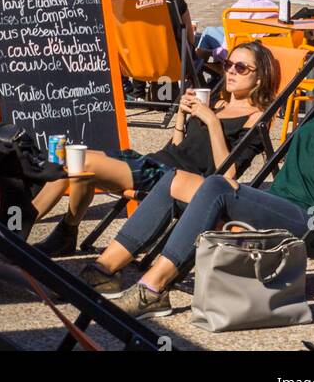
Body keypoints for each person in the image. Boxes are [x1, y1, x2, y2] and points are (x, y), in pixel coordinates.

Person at [83, 31, 314, 321]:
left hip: (312, 219)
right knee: (174, 179)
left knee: (216, 185)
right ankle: (105, 271)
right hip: (277, 201)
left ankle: (153, 288)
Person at [32, 41, 279, 257]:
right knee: (73, 161)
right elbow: (177, 147)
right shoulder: (215, 101)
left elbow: (228, 176)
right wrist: (182, 116)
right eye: (228, 64)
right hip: (156, 163)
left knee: (82, 162)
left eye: (241, 68)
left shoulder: (255, 119)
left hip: (174, 180)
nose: (231, 71)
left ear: (260, 78)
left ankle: (13, 237)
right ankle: (63, 232)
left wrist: (212, 122)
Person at [195, 0, 278, 62]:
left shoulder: (238, 10)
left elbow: (228, 52)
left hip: (247, 55)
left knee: (208, 34)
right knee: (212, 30)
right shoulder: (271, 5)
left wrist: (206, 52)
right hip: (264, 51)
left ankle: (195, 72)